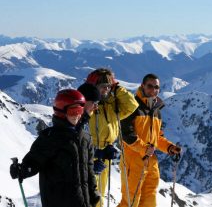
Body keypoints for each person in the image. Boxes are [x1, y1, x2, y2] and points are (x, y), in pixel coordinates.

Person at [9, 89, 100, 207]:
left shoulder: (85, 138)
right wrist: (22, 170)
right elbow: (34, 161)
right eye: (73, 111)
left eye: (80, 110)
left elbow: (89, 169)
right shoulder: (50, 138)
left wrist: (93, 193)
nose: (77, 115)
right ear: (61, 112)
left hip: (84, 203)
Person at [117, 73, 182, 207]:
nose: (153, 90)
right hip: (133, 160)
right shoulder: (133, 106)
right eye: (150, 86)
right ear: (143, 86)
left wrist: (169, 147)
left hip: (151, 162)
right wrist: (144, 148)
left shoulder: (156, 110)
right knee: (130, 202)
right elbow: (126, 133)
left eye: (156, 87)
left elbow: (157, 137)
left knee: (149, 201)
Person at [85, 68, 139, 206]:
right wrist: (91, 155)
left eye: (109, 86)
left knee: (100, 192)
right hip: (91, 153)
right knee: (91, 194)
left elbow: (132, 106)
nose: (106, 89)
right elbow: (80, 132)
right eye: (103, 86)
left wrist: (117, 88)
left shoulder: (111, 106)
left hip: (106, 153)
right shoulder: (89, 106)